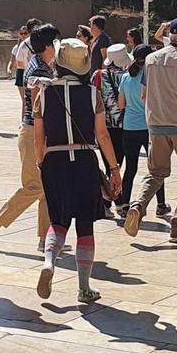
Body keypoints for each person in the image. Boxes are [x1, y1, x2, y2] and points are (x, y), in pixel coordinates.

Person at [34, 38, 122, 302]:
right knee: (85, 225)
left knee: (58, 221)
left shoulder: (43, 93)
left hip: (55, 160)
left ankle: (49, 262)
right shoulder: (92, 94)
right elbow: (103, 135)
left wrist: (42, 163)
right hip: (85, 160)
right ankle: (84, 287)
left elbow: (39, 138)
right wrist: (114, 168)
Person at [122, 17, 177, 243]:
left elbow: (143, 94)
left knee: (155, 172)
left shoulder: (150, 59)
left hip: (156, 125)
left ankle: (138, 206)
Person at [0, 23, 56, 253]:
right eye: (54, 43)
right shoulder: (39, 70)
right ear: (47, 45)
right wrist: (42, 141)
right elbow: (38, 109)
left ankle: (46, 238)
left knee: (47, 187)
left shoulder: (42, 65)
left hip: (38, 132)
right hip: (34, 132)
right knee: (34, 186)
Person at [116, 45, 168, 217]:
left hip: (129, 127)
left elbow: (120, 104)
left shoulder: (125, 77)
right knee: (156, 168)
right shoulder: (153, 77)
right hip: (149, 126)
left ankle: (124, 204)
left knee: (130, 169)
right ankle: (160, 204)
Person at [93, 42, 130, 214]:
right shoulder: (128, 76)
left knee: (109, 164)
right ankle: (117, 202)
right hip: (123, 125)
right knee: (117, 164)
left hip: (102, 125)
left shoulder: (98, 75)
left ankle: (108, 202)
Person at [8, 25, 31, 100]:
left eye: (25, 33)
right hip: (21, 71)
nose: (23, 35)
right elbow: (12, 60)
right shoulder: (16, 47)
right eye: (21, 33)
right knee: (24, 99)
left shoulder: (34, 45)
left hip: (30, 71)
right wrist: (9, 69)